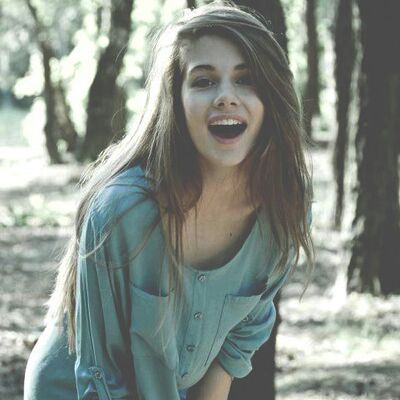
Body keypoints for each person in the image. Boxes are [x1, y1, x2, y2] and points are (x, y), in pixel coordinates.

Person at [24, 1, 314, 399]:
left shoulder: (284, 210)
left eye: (246, 80)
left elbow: (232, 350)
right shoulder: (122, 212)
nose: (226, 97)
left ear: (272, 97)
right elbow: (100, 379)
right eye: (204, 81)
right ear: (175, 100)